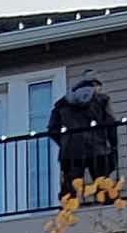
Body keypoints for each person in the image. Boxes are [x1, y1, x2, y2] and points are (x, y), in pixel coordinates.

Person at [46, 72, 120, 200]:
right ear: (95, 86)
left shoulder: (62, 104)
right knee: (101, 180)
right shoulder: (101, 100)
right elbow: (110, 124)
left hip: (71, 150)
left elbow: (53, 129)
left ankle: (68, 206)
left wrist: (64, 142)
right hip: (97, 147)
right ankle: (108, 203)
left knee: (71, 183)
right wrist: (113, 145)